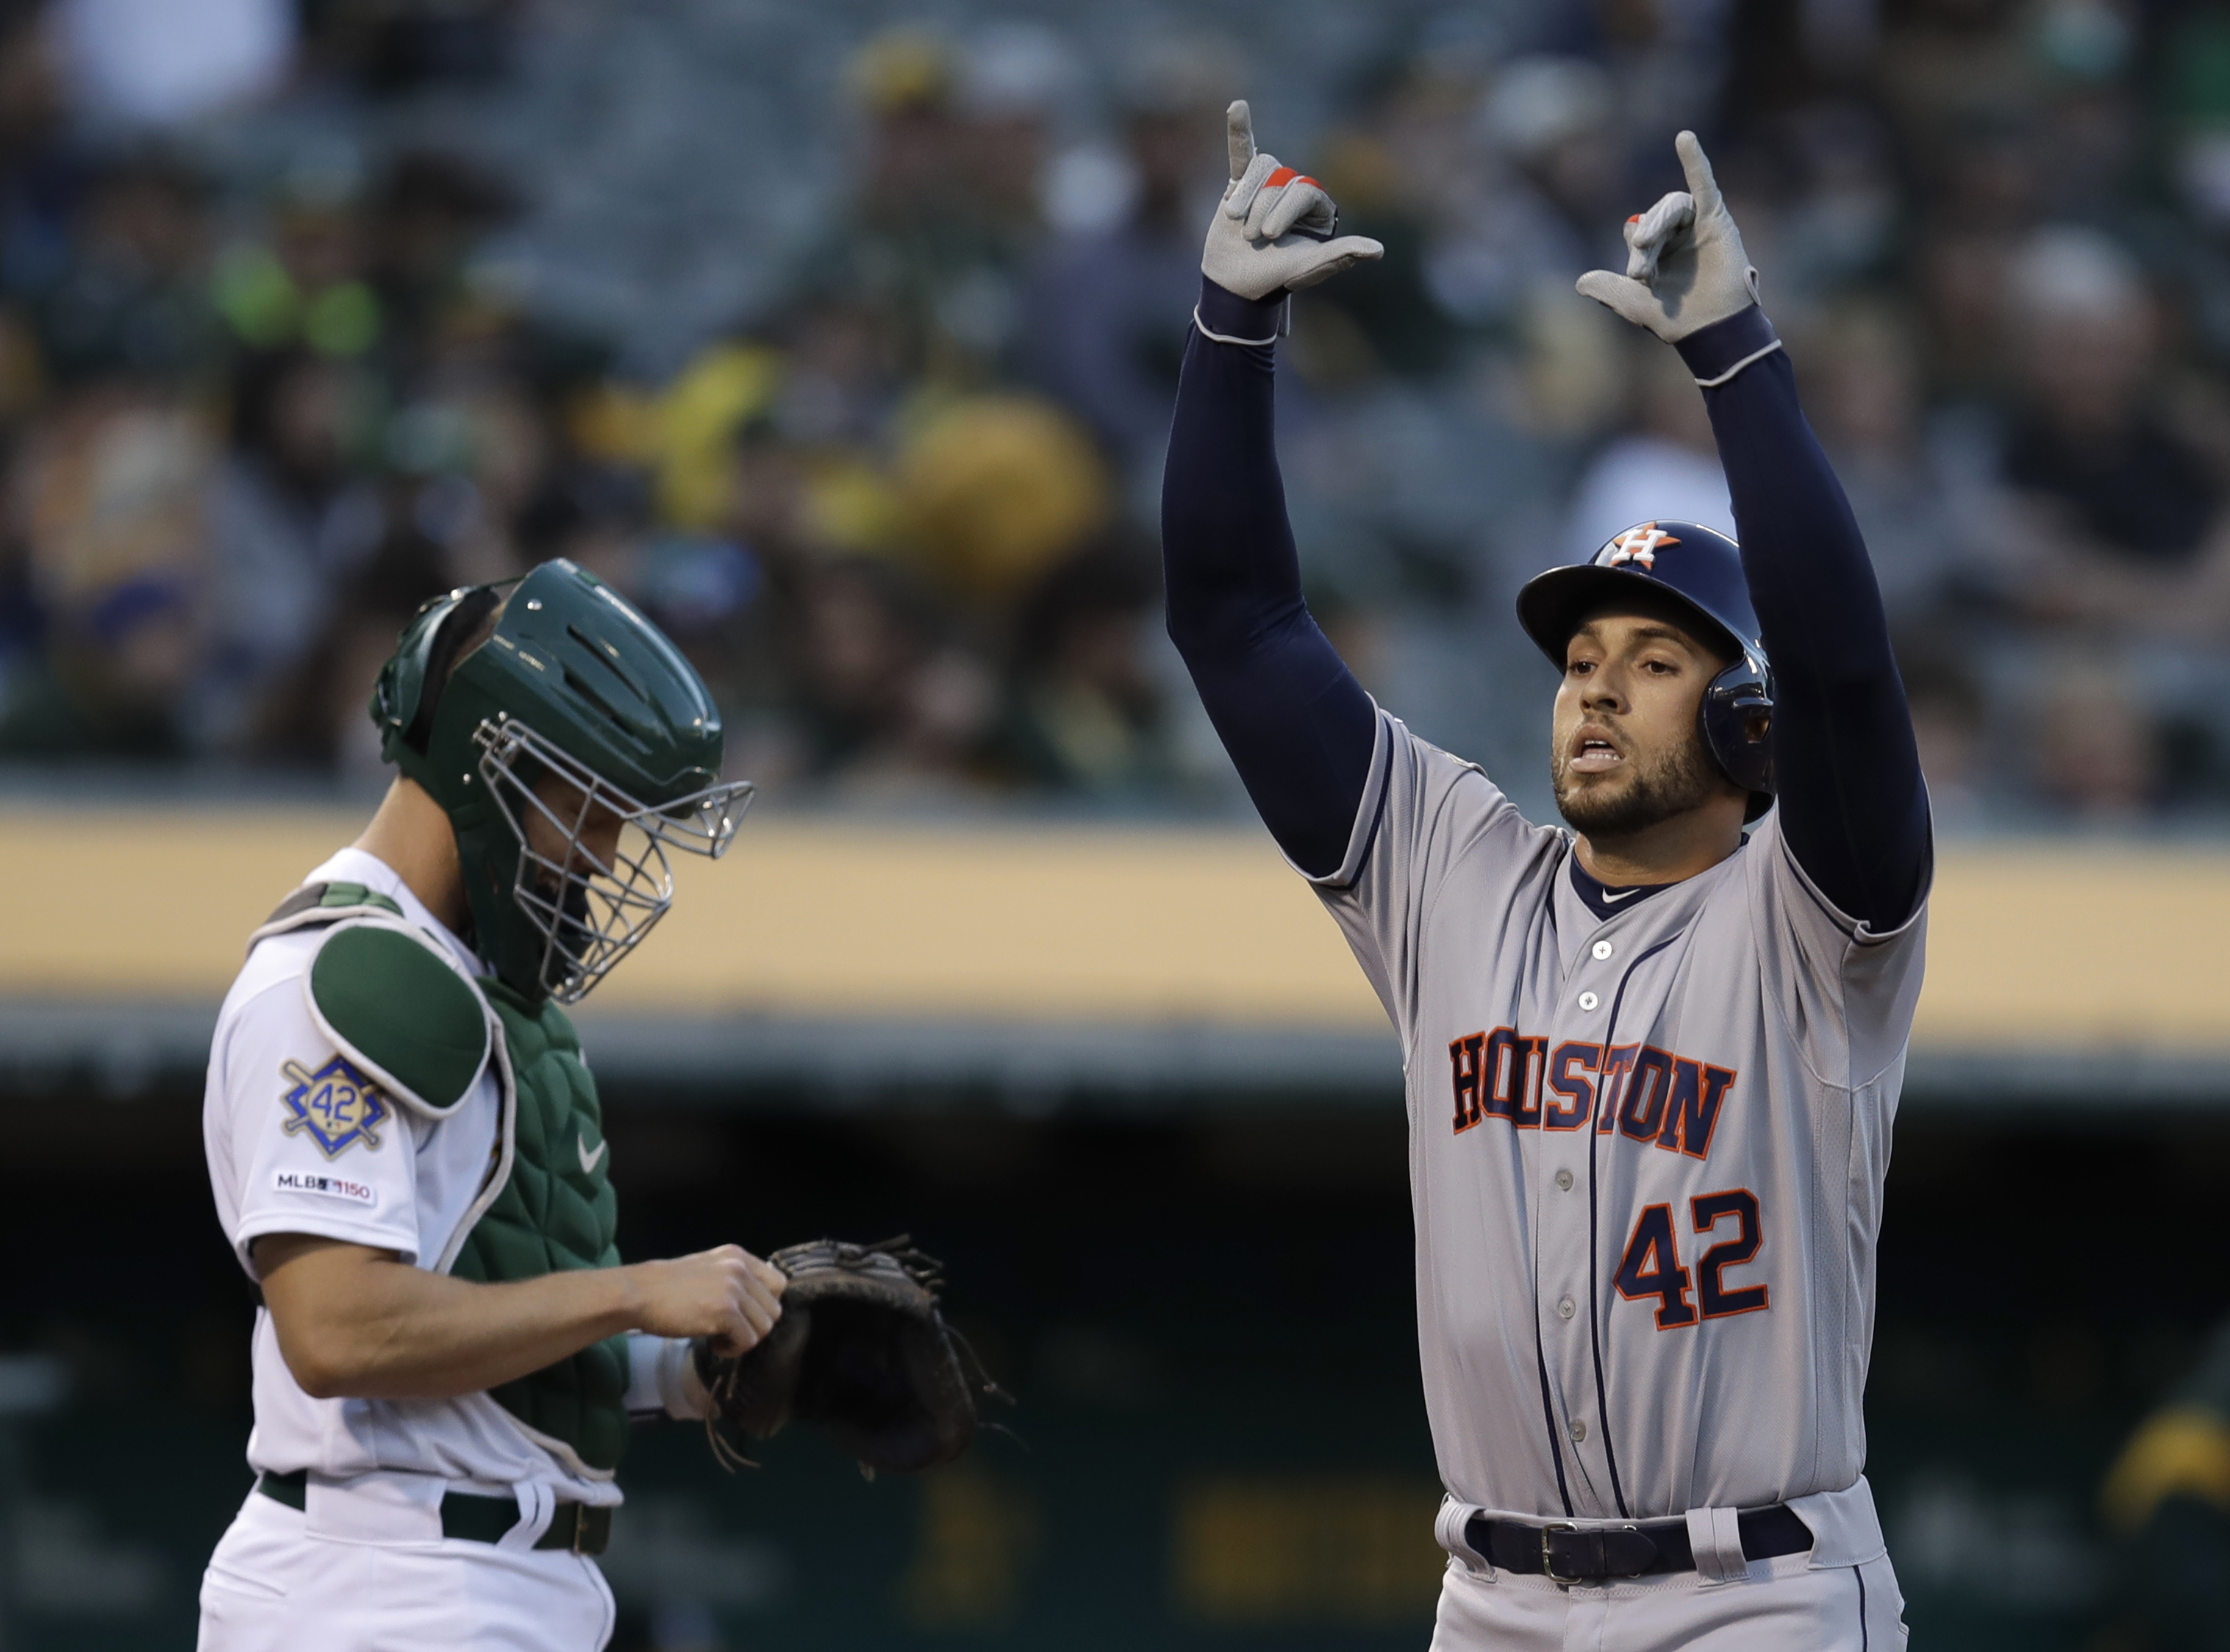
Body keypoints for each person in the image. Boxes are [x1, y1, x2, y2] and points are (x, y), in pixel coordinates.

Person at [1161, 104, 1927, 1648]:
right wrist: (1228, 329)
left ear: (1739, 717)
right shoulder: (1449, 871)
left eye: (1650, 661)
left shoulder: (1813, 915)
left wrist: (1726, 351)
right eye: (1578, 658)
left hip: (1753, 1594)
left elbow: (1843, 667)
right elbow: (1235, 623)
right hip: (1491, 1597)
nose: (1592, 688)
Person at [196, 557, 787, 1651]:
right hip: (384, 1582)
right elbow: (337, 1330)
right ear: (492, 767)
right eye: (593, 810)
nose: (608, 857)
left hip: (485, 1582)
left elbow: (485, 1344)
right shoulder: (345, 980)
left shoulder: (476, 986)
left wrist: (696, 1365)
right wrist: (631, 1294)